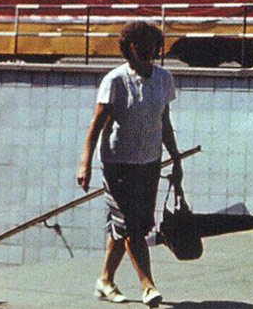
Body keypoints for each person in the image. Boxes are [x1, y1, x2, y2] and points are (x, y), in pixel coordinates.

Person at [76, 22, 182, 307]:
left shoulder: (164, 79)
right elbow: (96, 127)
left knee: (131, 225)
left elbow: (164, 122)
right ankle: (148, 285)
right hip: (117, 164)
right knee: (132, 226)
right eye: (139, 44)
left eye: (152, 44)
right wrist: (84, 164)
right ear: (128, 47)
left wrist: (175, 157)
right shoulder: (115, 80)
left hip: (149, 162)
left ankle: (105, 280)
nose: (147, 49)